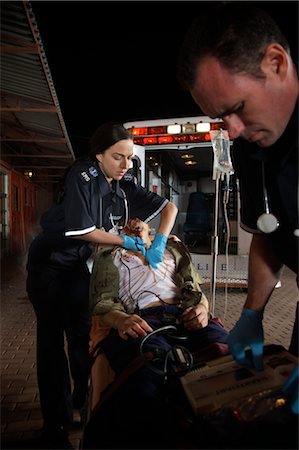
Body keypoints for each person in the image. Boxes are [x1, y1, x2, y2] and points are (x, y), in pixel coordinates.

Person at [177, 2, 298, 415]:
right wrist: (253, 313)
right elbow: (268, 233)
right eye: (219, 118)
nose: (232, 130)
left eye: (237, 109)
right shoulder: (251, 144)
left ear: (276, 63)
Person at [26, 121, 178, 449]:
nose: (126, 165)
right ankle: (56, 423)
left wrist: (159, 240)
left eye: (129, 158)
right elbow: (83, 231)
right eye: (117, 157)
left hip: (77, 266)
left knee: (81, 333)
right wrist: (129, 242)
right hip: (49, 267)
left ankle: (82, 398)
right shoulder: (82, 176)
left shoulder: (120, 184)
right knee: (51, 344)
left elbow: (170, 207)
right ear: (98, 155)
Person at [83, 218, 229, 449]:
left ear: (151, 230)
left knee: (226, 354)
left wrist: (202, 309)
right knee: (148, 375)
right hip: (143, 320)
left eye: (138, 222)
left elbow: (195, 290)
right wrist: (120, 319)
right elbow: (103, 302)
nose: (133, 225)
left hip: (185, 315)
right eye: (126, 227)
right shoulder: (111, 257)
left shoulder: (172, 251)